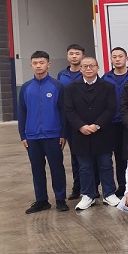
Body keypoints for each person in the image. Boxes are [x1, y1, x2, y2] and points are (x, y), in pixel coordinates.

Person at [64, 56, 121, 211]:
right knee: (84, 167)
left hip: (102, 132)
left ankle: (109, 193)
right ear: (80, 69)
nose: (88, 69)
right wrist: (81, 126)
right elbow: (69, 110)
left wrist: (97, 125)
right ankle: (88, 195)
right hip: (80, 133)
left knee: (106, 164)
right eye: (85, 66)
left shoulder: (108, 87)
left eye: (91, 66)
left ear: (97, 68)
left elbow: (111, 108)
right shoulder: (71, 88)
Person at [19, 51, 68, 214]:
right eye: (35, 63)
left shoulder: (57, 86)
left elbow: (63, 111)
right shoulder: (26, 87)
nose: (38, 66)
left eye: (41, 62)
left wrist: (63, 134)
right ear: (31, 65)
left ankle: (60, 199)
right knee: (37, 169)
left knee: (57, 168)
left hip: (53, 135)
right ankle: (41, 200)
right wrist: (23, 135)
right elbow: (22, 113)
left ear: (48, 64)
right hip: (32, 136)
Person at [102, 47, 128, 198]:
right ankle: (122, 186)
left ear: (126, 58)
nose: (117, 59)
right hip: (113, 123)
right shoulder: (106, 77)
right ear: (111, 59)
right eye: (114, 57)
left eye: (120, 56)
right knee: (118, 156)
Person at [58, 43, 84, 199]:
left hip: (85, 120)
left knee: (88, 156)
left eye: (77, 53)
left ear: (82, 55)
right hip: (68, 120)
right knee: (74, 156)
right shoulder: (62, 75)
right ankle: (77, 187)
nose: (74, 56)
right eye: (71, 54)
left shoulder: (87, 71)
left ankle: (92, 187)